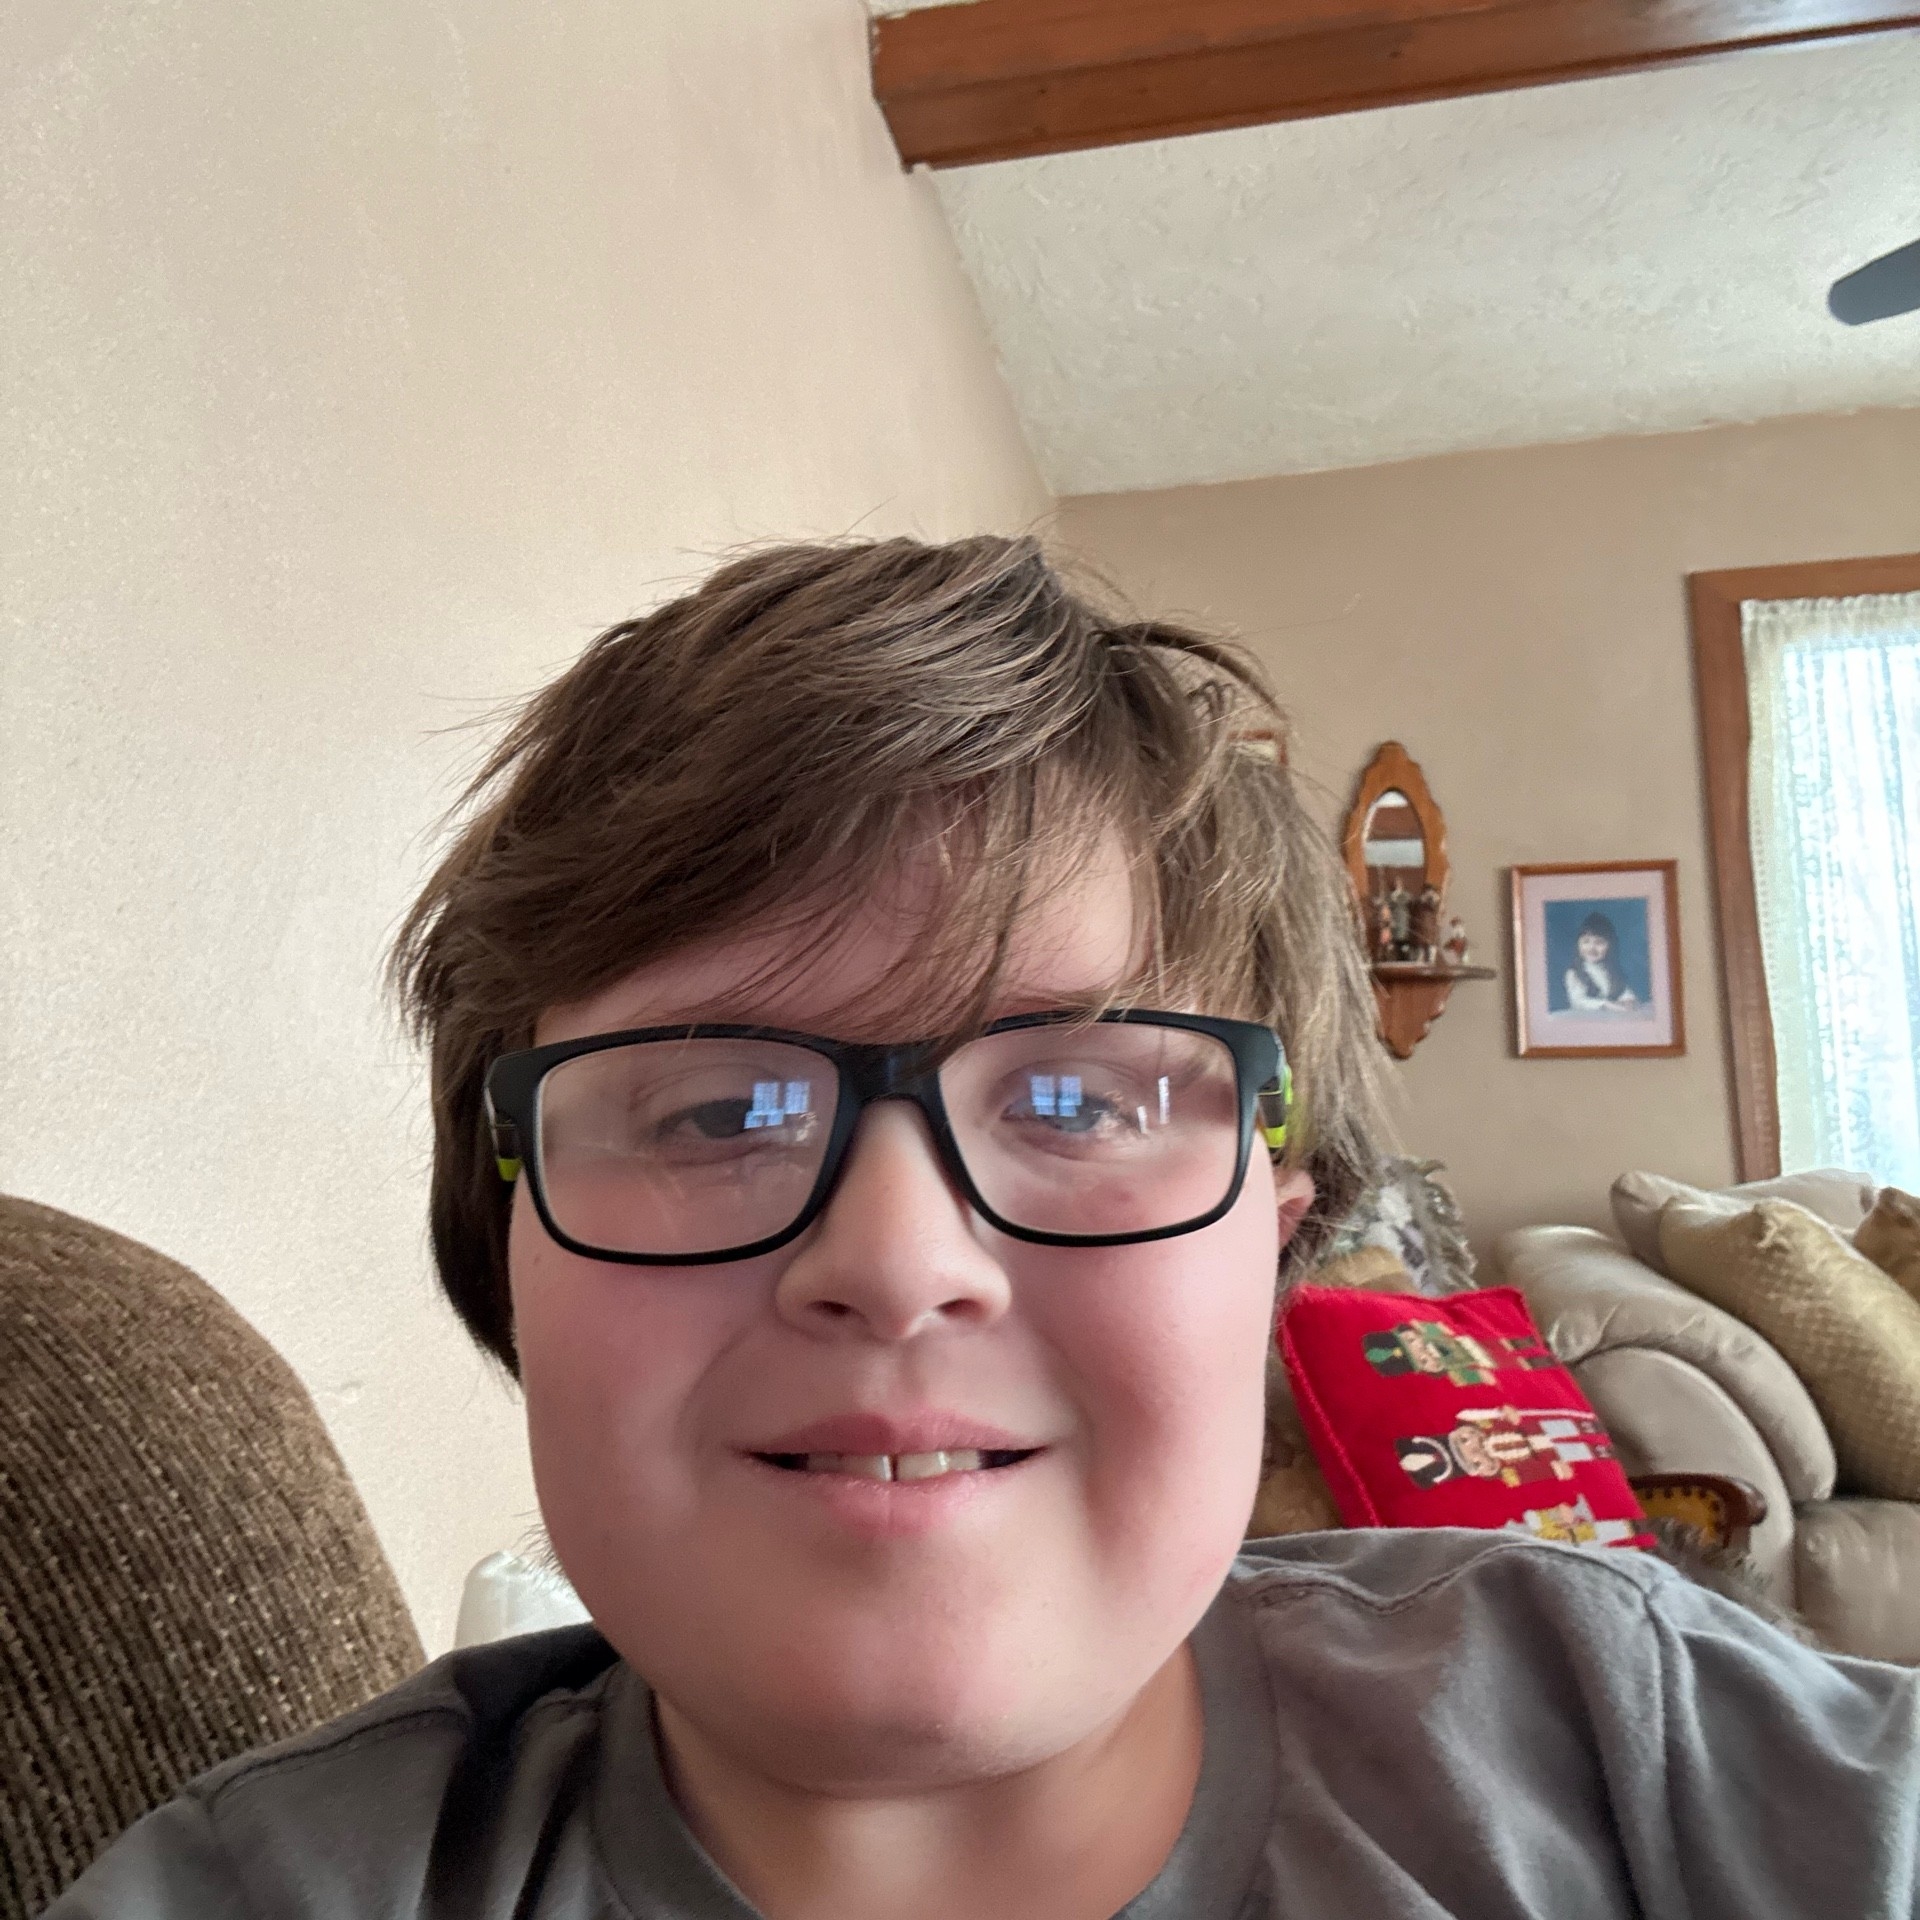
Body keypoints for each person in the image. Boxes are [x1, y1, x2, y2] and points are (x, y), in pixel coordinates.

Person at [51, 537, 1920, 1919]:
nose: (895, 1260)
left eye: (1081, 1101)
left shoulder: (1623, 1735)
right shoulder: (264, 1890)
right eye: (710, 1110)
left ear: (1270, 1243)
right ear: (508, 1246)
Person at [1563, 910, 1641, 1013]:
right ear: (1578, 944)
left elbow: (1622, 990)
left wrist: (1628, 999)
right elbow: (1578, 1002)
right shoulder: (1574, 973)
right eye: (1586, 941)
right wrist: (1605, 1004)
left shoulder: (1610, 971)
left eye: (1599, 942)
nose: (1591, 948)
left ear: (1610, 946)